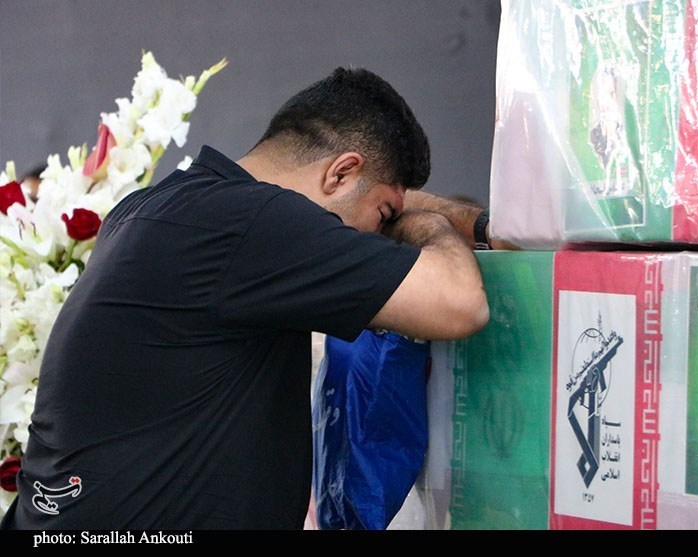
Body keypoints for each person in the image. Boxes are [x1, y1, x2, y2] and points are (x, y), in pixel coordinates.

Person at [0, 67, 499, 530]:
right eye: (384, 215)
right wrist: (428, 226)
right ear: (339, 174)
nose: (378, 234)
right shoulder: (254, 223)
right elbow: (460, 304)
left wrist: (472, 224)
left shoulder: (166, 206)